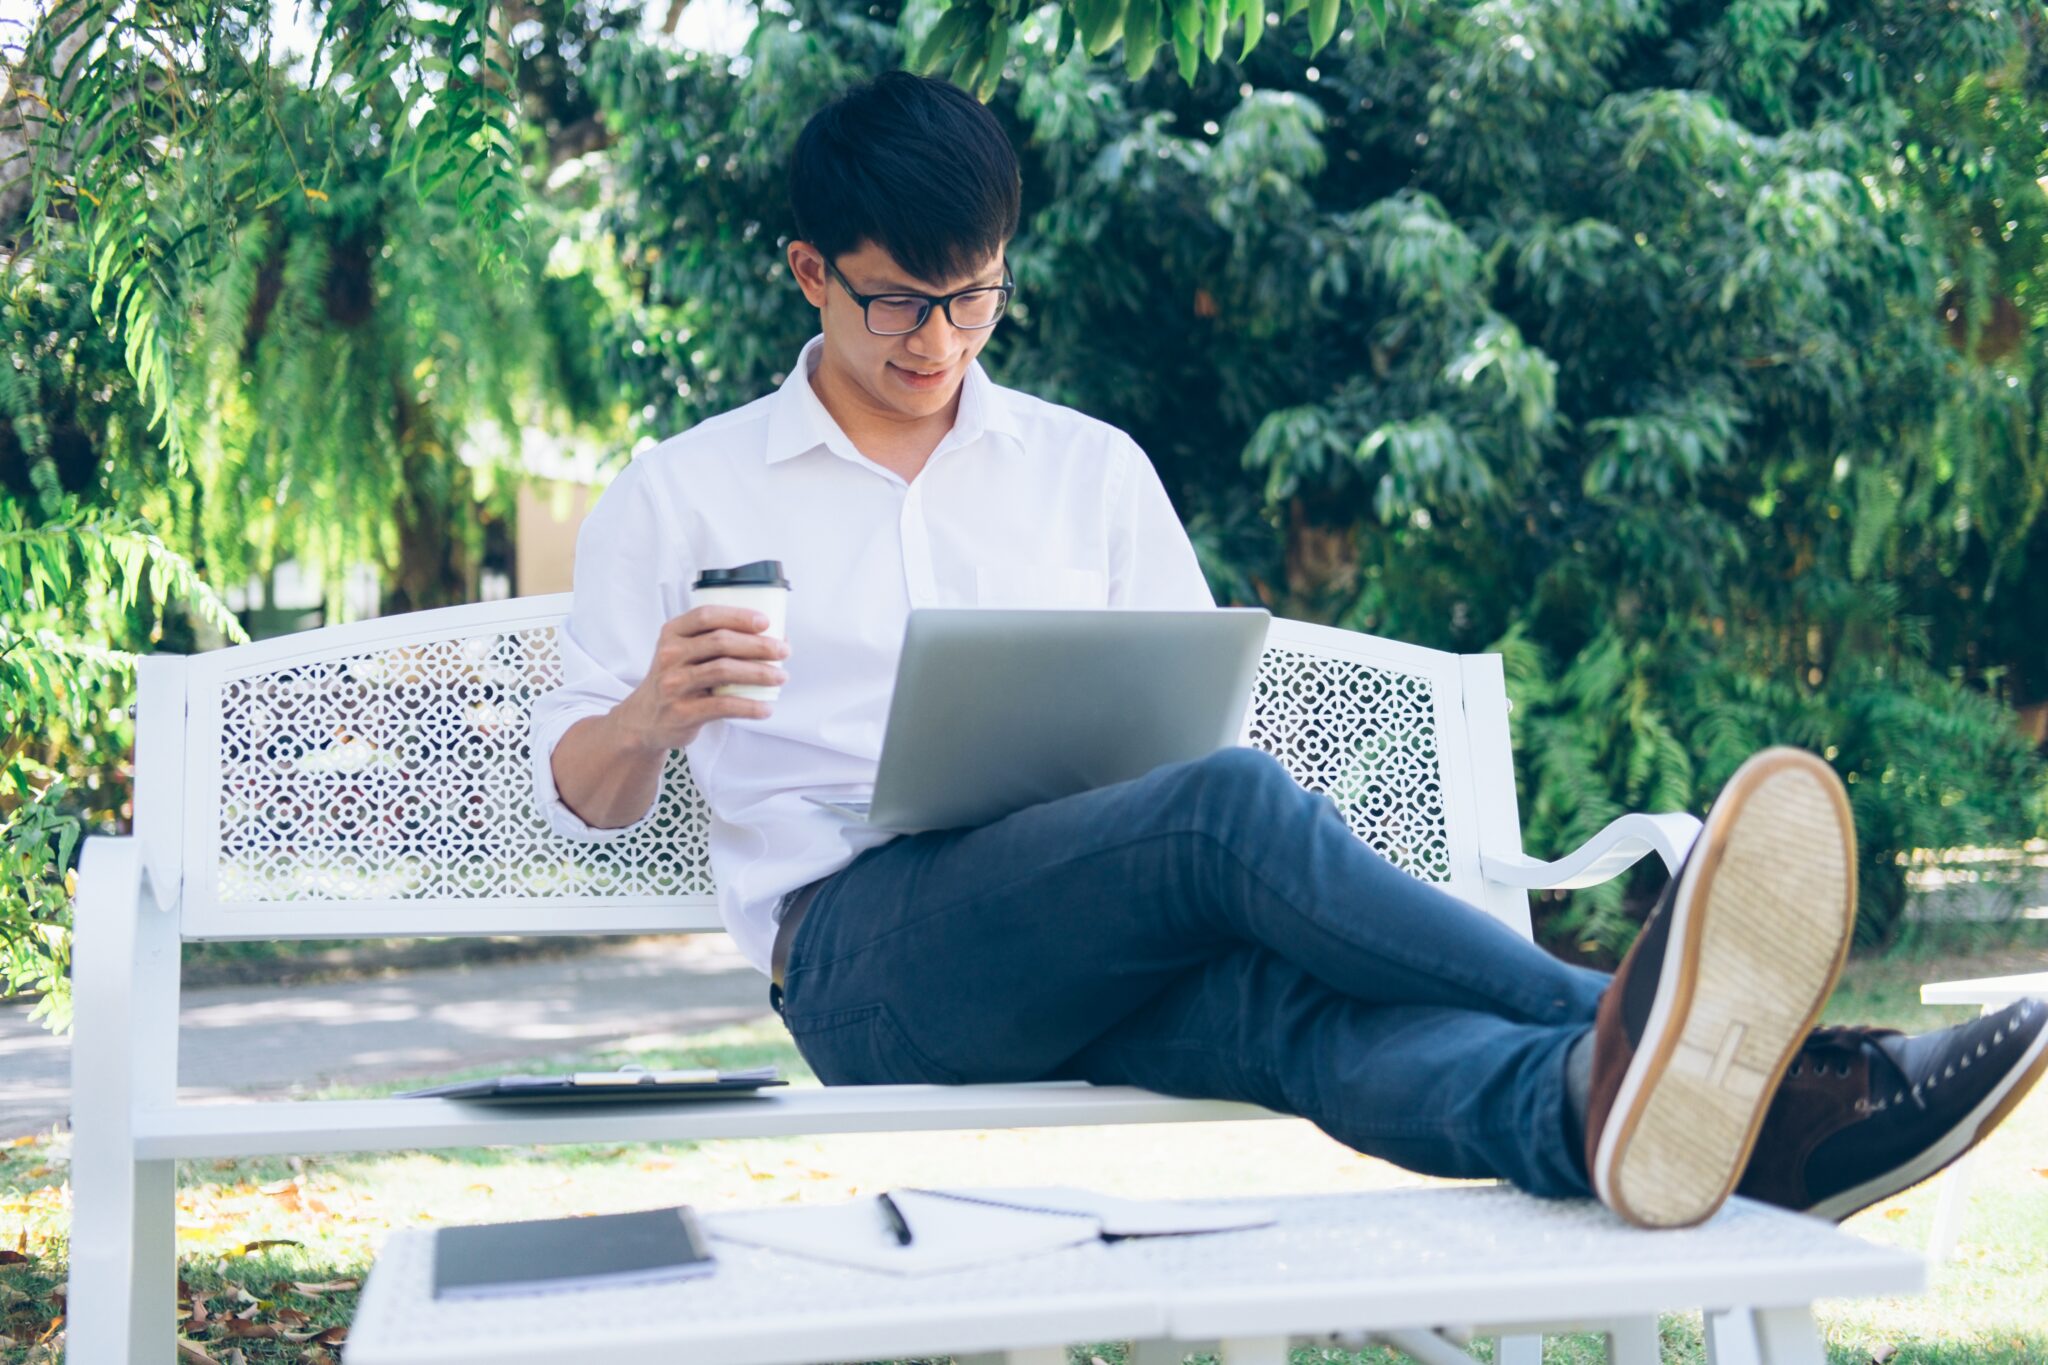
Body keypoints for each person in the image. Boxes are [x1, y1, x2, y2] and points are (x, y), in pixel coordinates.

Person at [531, 71, 2047, 1230]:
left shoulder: (1085, 467)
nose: (938, 338)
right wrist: (652, 714)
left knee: (1292, 1021)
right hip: (868, 965)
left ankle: (1688, 1122)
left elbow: (1182, 710)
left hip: (1094, 911)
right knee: (1230, 811)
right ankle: (1755, 1057)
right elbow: (575, 794)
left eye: (976, 293)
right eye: (896, 303)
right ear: (809, 272)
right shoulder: (687, 488)